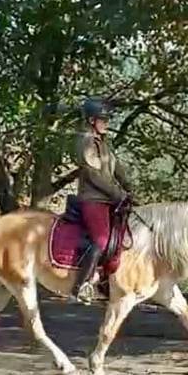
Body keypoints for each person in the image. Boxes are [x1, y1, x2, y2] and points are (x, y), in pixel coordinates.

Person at [70, 97, 133, 304]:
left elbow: (117, 169)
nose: (107, 123)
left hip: (108, 199)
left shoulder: (103, 143)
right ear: (91, 121)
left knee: (121, 238)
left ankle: (107, 282)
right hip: (93, 198)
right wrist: (118, 193)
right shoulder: (85, 141)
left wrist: (130, 187)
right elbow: (93, 174)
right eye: (103, 119)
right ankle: (82, 286)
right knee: (102, 240)